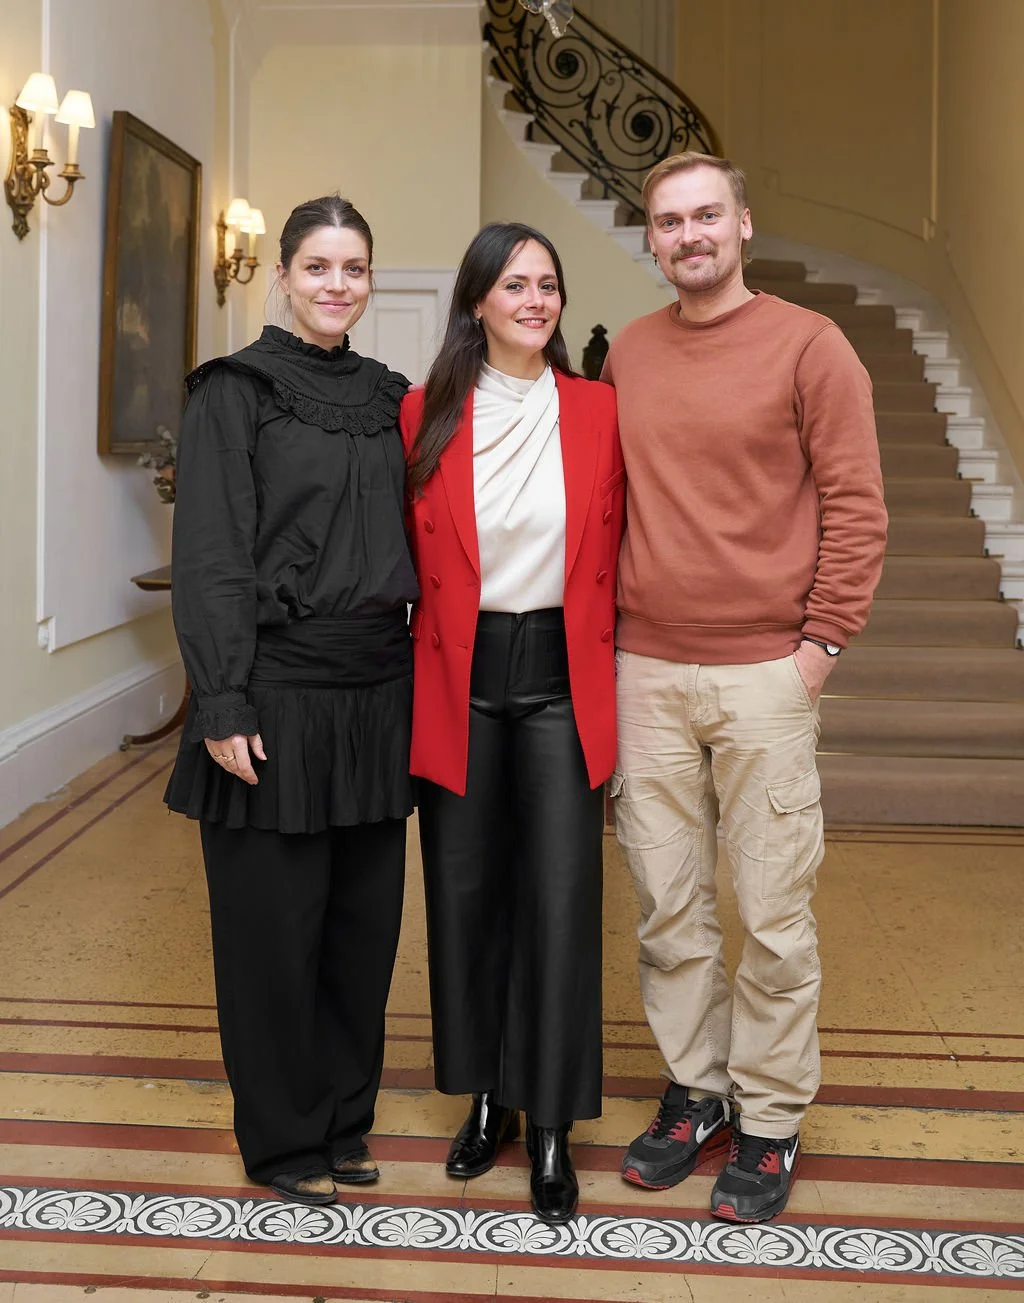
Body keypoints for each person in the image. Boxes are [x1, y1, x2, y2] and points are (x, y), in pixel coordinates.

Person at [603, 152, 887, 1223]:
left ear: (742, 225)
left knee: (770, 910)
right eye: (669, 221)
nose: (689, 235)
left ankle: (768, 1117)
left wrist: (820, 647)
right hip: (646, 669)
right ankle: (697, 1089)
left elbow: (858, 505)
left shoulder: (812, 347)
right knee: (666, 902)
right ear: (653, 239)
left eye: (706, 215)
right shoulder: (628, 351)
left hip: (768, 669)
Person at [164, 194, 417, 1207]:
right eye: (317, 266)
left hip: (376, 692)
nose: (336, 285)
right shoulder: (236, 390)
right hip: (272, 688)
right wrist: (222, 699)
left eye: (353, 268)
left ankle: (342, 1120)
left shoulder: (393, 395)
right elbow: (212, 552)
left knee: (362, 931)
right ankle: (279, 1139)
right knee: (275, 931)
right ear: (280, 274)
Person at [399, 222, 623, 1223]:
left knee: (562, 900)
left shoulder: (601, 411)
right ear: (477, 300)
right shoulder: (423, 413)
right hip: (458, 673)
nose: (534, 300)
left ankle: (551, 1126)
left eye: (548, 285)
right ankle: (487, 1093)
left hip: (562, 678)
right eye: (514, 284)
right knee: (465, 893)